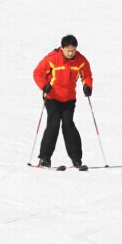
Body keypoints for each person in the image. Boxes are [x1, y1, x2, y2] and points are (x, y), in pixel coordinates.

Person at [32, 35, 92, 170]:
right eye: (68, 50)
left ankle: (77, 160)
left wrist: (87, 85)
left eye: (73, 50)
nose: (71, 53)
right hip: (52, 97)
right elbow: (37, 73)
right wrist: (44, 85)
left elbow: (86, 75)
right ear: (62, 48)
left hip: (69, 98)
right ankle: (44, 158)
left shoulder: (80, 60)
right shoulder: (52, 58)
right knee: (53, 124)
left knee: (68, 125)